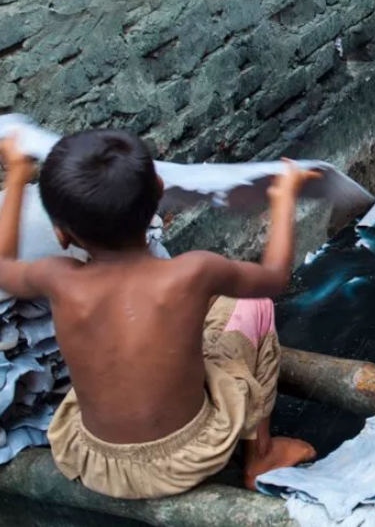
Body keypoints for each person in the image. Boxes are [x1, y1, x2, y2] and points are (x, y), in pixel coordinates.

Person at [0, 129, 318, 499]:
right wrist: (283, 199)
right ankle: (260, 455)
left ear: (61, 234)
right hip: (187, 456)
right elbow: (274, 278)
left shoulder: (57, 278)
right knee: (252, 305)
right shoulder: (194, 272)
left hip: (99, 464)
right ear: (159, 193)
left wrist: (17, 177)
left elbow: (3, 266)